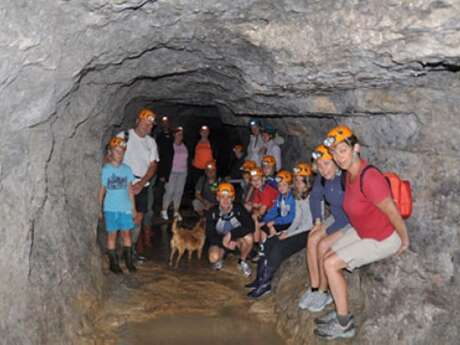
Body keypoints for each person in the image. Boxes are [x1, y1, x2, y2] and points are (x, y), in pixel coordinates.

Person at [313, 125, 409, 340]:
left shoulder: (369, 177)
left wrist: (403, 239)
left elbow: (392, 211)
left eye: (343, 150)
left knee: (330, 264)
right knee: (325, 253)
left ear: (355, 148)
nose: (339, 157)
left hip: (382, 238)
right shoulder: (348, 175)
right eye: (335, 152)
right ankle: (338, 306)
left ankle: (344, 323)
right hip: (362, 230)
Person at [247, 163, 314, 299]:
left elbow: (308, 224)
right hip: (297, 229)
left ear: (307, 181)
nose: (298, 183)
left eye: (300, 180)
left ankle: (266, 283)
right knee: (269, 242)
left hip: (307, 232)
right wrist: (286, 232)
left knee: (278, 247)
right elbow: (296, 219)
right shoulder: (298, 196)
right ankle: (261, 279)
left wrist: (288, 233)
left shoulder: (311, 197)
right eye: (296, 180)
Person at [298, 144, 350, 313]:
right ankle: (314, 288)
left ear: (335, 161)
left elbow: (349, 215)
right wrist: (318, 222)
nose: (323, 169)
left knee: (322, 244)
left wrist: (327, 231)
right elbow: (315, 198)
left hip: (349, 221)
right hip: (336, 216)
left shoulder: (345, 179)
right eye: (319, 165)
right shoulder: (322, 178)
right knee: (312, 238)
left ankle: (323, 291)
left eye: (326, 163)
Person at [117, 108, 159, 260]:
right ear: (138, 121)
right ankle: (122, 250)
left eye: (150, 125)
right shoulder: (124, 136)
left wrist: (142, 183)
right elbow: (111, 158)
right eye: (145, 123)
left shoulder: (151, 142)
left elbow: (153, 165)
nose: (147, 127)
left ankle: (131, 250)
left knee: (139, 217)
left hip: (142, 184)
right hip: (123, 183)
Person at [98, 137, 137, 274]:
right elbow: (102, 190)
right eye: (117, 151)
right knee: (112, 235)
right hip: (110, 208)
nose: (120, 154)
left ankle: (129, 262)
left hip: (125, 207)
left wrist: (133, 208)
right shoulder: (106, 170)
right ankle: (114, 264)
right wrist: (100, 208)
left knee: (127, 234)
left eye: (122, 152)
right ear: (111, 152)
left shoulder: (127, 170)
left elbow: (130, 190)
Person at [206, 182, 255, 276]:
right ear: (217, 198)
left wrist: (231, 235)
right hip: (220, 241)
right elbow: (209, 234)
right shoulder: (212, 212)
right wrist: (224, 242)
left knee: (249, 237)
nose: (225, 200)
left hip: (237, 240)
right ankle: (222, 257)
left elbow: (250, 226)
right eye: (222, 197)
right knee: (213, 257)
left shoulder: (239, 208)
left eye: (228, 197)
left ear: (232, 198)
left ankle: (242, 261)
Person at [244, 167, 278, 253]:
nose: (256, 182)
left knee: (255, 219)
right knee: (253, 217)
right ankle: (258, 247)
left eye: (258, 179)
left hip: (276, 215)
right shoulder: (258, 190)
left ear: (263, 179)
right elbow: (254, 206)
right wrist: (255, 208)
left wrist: (254, 208)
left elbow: (261, 211)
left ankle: (256, 246)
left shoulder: (267, 190)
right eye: (253, 180)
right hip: (269, 214)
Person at [257, 170, 296, 245]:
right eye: (279, 185)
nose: (281, 188)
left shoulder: (293, 198)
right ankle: (263, 248)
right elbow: (273, 211)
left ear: (290, 185)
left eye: (284, 185)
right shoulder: (280, 197)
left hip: (289, 222)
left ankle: (274, 247)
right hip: (282, 220)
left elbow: (292, 217)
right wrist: (265, 221)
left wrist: (275, 221)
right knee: (263, 228)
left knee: (272, 227)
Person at [161, 126, 188, 221]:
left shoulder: (184, 146)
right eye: (178, 134)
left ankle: (176, 211)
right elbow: (164, 160)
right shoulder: (170, 145)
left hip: (183, 172)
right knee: (170, 191)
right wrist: (163, 174)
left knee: (179, 192)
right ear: (174, 135)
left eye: (181, 134)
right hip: (172, 171)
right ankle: (164, 210)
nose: (180, 136)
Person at [154, 115, 174, 216]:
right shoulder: (159, 136)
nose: (165, 124)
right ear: (162, 124)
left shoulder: (172, 135)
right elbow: (157, 150)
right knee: (160, 186)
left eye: (167, 122)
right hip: (162, 164)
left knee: (169, 186)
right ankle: (157, 207)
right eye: (163, 122)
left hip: (171, 164)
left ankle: (167, 205)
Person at [191, 125, 214, 189]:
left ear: (208, 133)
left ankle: (210, 198)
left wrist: (214, 163)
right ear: (200, 132)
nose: (204, 133)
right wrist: (192, 160)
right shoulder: (196, 142)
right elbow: (192, 151)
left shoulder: (212, 142)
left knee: (210, 185)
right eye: (203, 131)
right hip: (197, 168)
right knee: (197, 185)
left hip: (209, 168)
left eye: (206, 131)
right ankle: (197, 198)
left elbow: (216, 153)